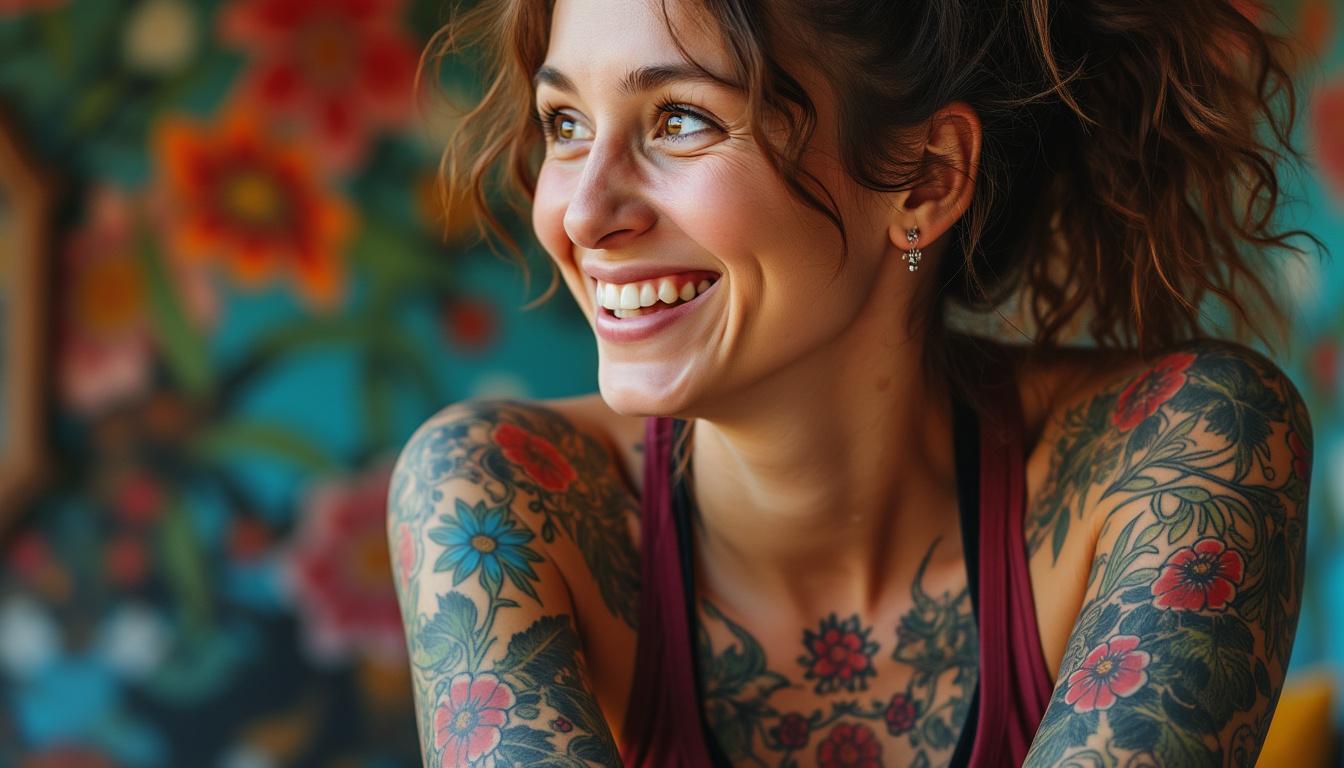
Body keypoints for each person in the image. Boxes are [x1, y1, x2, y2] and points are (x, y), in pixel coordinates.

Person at [388, 0, 1322, 765]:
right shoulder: (492, 494)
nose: (583, 212)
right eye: (566, 124)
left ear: (925, 177)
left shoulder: (1183, 452)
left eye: (679, 118)